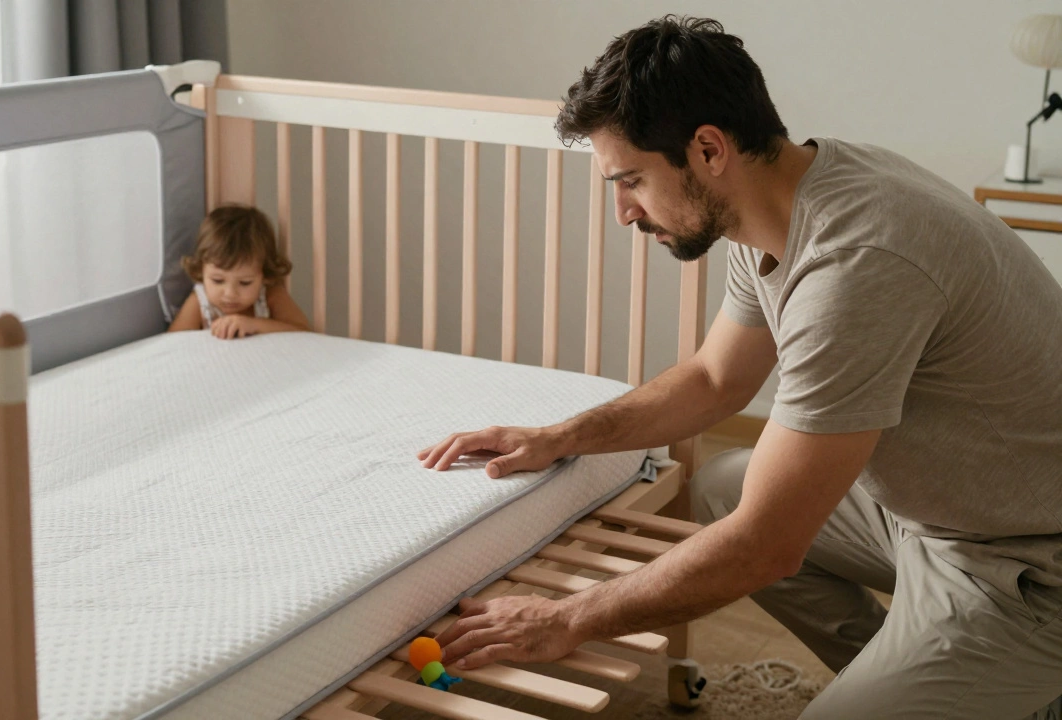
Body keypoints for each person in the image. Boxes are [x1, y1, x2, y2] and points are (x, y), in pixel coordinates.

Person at [418, 15, 1062, 719]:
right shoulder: (780, 203)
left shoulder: (855, 265)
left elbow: (765, 547)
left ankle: (987, 682)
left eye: (630, 179)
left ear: (708, 149)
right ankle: (930, 676)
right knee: (724, 486)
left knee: (751, 529)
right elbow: (716, 380)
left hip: (1024, 564)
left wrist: (566, 618)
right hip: (931, 512)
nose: (623, 212)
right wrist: (558, 436)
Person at [168, 204, 309, 337]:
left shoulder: (270, 295)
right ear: (201, 271)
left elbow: (303, 332)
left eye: (245, 282)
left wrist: (254, 325)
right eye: (218, 281)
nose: (230, 294)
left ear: (264, 275)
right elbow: (174, 340)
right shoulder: (200, 301)